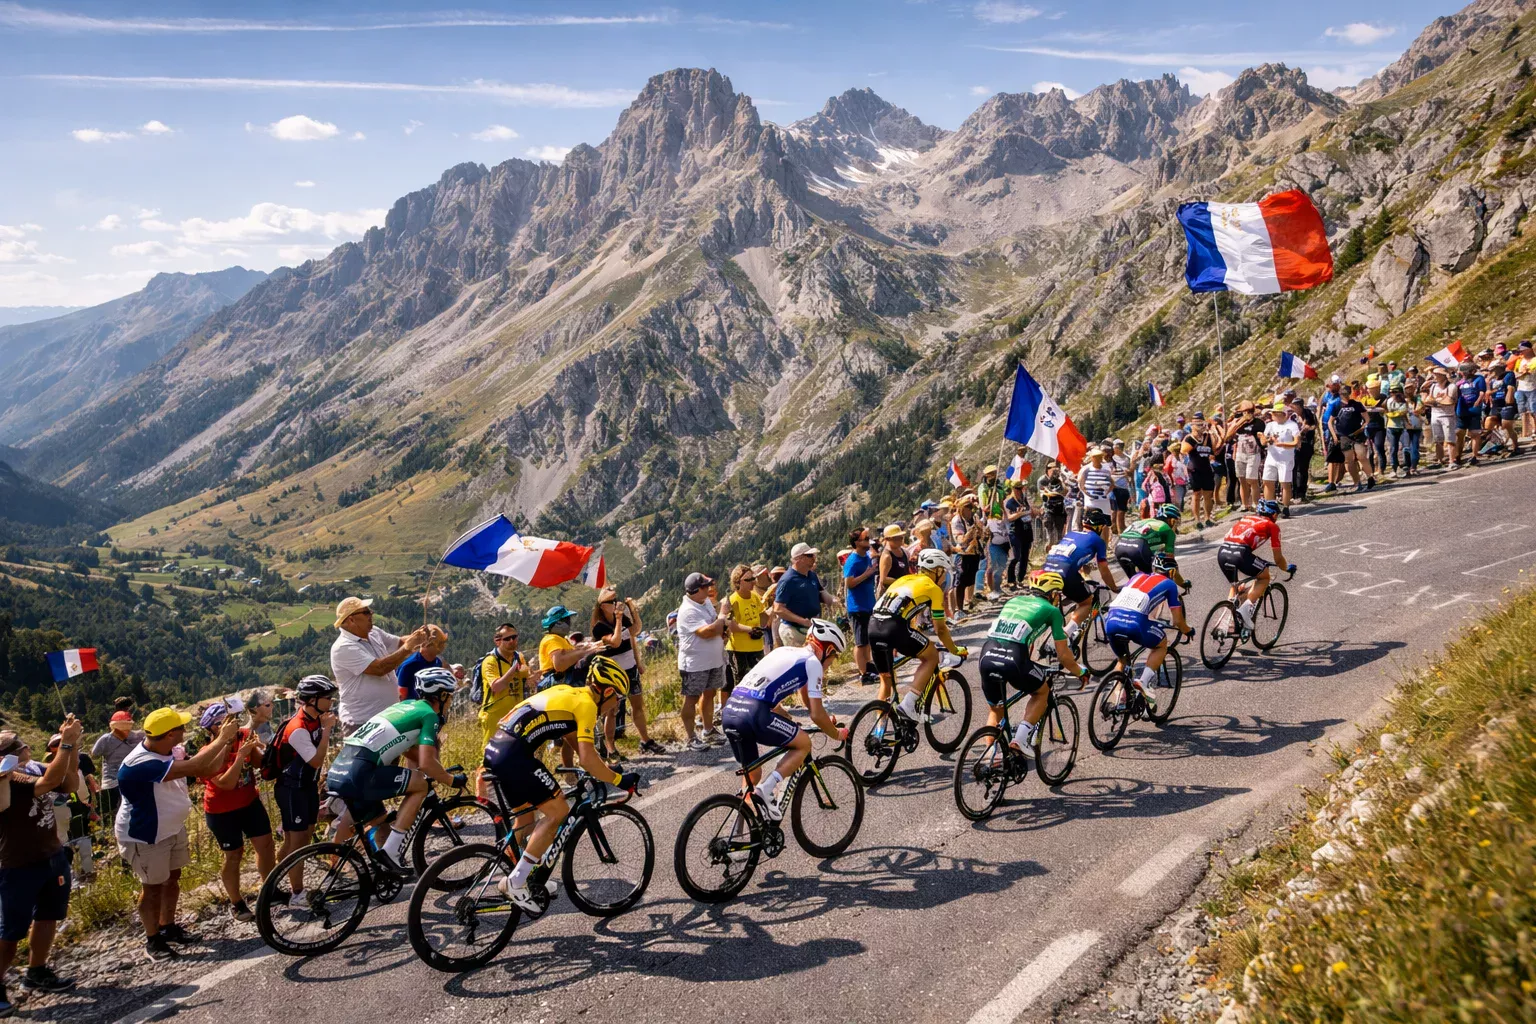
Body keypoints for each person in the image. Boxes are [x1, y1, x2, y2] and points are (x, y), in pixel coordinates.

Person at [481, 657, 639, 912]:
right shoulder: (587, 705)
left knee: (525, 819)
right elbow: (587, 758)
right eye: (618, 698)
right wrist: (619, 780)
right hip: (515, 755)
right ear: (607, 691)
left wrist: (603, 769)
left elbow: (575, 741)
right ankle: (517, 881)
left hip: (496, 749)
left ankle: (526, 877)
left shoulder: (570, 693)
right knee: (559, 812)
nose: (617, 705)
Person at [118, 706, 241, 962]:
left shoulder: (167, 751)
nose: (186, 731)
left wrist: (227, 743)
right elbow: (195, 767)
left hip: (170, 828)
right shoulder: (140, 763)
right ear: (170, 734)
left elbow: (206, 769)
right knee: (151, 887)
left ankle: (168, 926)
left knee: (172, 878)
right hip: (146, 835)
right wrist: (223, 738)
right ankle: (152, 940)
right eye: (181, 728)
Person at [324, 668, 465, 873]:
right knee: (420, 786)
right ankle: (391, 852)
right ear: (442, 696)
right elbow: (425, 763)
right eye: (450, 698)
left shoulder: (405, 706)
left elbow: (408, 749)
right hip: (361, 771)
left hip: (339, 768)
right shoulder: (429, 715)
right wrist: (450, 780)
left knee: (380, 820)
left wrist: (439, 770)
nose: (450, 703)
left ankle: (370, 871)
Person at [721, 620, 848, 820]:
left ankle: (742, 836)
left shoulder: (783, 652)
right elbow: (816, 714)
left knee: (752, 778)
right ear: (828, 649)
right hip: (755, 713)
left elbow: (806, 700)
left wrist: (790, 720)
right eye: (834, 656)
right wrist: (836, 734)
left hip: (730, 711)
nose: (832, 662)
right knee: (804, 743)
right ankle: (768, 789)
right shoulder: (813, 662)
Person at [0, 719, 83, 1008]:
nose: (24, 747)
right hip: (17, 865)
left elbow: (68, 784)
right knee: (11, 931)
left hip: (51, 855)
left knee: (48, 915)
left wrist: (70, 750)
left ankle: (36, 971)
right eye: (16, 746)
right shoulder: (9, 779)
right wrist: (68, 743)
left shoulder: (32, 767)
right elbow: (49, 783)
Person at [978, 572, 1087, 755]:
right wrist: (1079, 672)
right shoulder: (1052, 611)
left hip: (986, 655)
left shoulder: (1013, 601)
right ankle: (1020, 740)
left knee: (996, 709)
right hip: (1014, 660)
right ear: (1052, 593)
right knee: (1041, 692)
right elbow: (1063, 655)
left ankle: (991, 757)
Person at [197, 700, 275, 923]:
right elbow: (225, 783)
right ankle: (237, 903)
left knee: (266, 845)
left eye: (234, 719)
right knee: (234, 855)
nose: (234, 724)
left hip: (249, 802)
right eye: (227, 721)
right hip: (222, 811)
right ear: (214, 728)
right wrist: (241, 756)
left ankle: (270, 889)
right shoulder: (207, 753)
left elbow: (259, 764)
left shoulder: (242, 735)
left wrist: (257, 748)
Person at [869, 549, 967, 719]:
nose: (944, 578)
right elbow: (941, 629)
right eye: (943, 572)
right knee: (932, 656)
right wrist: (954, 650)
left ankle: (879, 730)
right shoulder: (933, 588)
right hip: (894, 627)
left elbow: (905, 611)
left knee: (886, 678)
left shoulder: (903, 579)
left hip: (873, 625)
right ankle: (908, 705)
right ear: (936, 570)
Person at [271, 675, 337, 911]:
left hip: (306, 787)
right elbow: (316, 759)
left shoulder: (314, 719)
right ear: (312, 700)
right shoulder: (298, 728)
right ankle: (296, 894)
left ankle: (275, 881)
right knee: (297, 844)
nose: (331, 701)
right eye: (327, 698)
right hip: (292, 790)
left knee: (302, 837)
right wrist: (327, 730)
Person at [329, 596, 433, 736]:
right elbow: (379, 668)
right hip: (362, 721)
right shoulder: (343, 647)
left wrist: (418, 637)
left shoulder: (374, 632)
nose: (371, 615)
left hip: (388, 716)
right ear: (351, 619)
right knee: (368, 759)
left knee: (392, 758)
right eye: (365, 612)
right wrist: (410, 646)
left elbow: (399, 643)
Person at [1102, 571, 1193, 715]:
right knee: (1161, 644)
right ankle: (1143, 682)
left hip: (1111, 621)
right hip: (1135, 623)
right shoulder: (1169, 584)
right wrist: (1188, 631)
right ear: (1172, 571)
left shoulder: (1136, 576)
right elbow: (1177, 621)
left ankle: (1118, 694)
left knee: (1123, 659)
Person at [593, 589, 663, 756]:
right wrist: (617, 620)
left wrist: (632, 609)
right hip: (613, 674)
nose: (616, 603)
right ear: (603, 606)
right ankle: (611, 748)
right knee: (612, 710)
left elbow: (636, 630)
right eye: (611, 601)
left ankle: (645, 740)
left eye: (616, 600)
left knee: (637, 706)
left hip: (630, 670)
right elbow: (615, 642)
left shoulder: (622, 619)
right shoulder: (599, 627)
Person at [1042, 506, 1120, 645]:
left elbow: (1074, 556)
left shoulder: (1071, 534)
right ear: (1099, 527)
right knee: (1086, 603)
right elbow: (1104, 570)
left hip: (1046, 570)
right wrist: (1114, 588)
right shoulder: (1098, 541)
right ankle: (1066, 633)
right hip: (1066, 574)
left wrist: (1084, 572)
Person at [1217, 499, 1295, 633]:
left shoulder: (1246, 518)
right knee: (1264, 577)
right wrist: (1286, 568)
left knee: (1236, 586)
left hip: (1222, 552)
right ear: (1274, 515)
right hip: (1240, 553)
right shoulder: (1272, 525)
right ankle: (1244, 611)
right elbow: (1278, 558)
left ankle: (1226, 621)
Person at [677, 572, 729, 751]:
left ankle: (708, 730)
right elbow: (706, 632)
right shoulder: (688, 610)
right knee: (691, 699)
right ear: (696, 590)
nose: (710, 589)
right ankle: (691, 737)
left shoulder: (705, 602)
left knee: (709, 694)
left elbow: (714, 624)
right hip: (694, 663)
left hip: (712, 660)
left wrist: (722, 629)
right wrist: (722, 616)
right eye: (706, 586)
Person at [477, 624, 531, 779]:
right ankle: (483, 794)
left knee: (514, 753)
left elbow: (527, 677)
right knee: (489, 755)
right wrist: (513, 670)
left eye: (515, 637)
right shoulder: (490, 661)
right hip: (494, 716)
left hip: (515, 714)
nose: (513, 641)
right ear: (497, 641)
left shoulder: (518, 657)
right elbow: (496, 686)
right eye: (508, 639)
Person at [774, 542, 837, 646]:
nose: (814, 558)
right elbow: (778, 608)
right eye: (810, 555)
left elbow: (821, 593)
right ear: (799, 558)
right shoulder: (788, 580)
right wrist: (802, 621)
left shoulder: (812, 575)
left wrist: (833, 600)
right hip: (793, 631)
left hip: (810, 628)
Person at [1115, 504, 1188, 588]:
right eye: (1176, 522)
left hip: (1119, 547)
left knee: (1134, 584)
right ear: (1171, 520)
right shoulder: (1168, 530)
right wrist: (1182, 583)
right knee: (1149, 583)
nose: (1176, 525)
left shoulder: (1146, 521)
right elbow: (1170, 564)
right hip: (1137, 547)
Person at [841, 528, 879, 685]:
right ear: (857, 542)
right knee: (860, 642)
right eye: (865, 539)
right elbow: (849, 583)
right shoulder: (853, 560)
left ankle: (868, 665)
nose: (868, 541)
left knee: (868, 640)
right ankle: (862, 673)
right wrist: (867, 574)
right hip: (857, 608)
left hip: (868, 604)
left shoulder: (866, 557)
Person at [91, 710, 141, 824]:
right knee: (132, 811)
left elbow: (94, 754)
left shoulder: (106, 739)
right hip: (133, 780)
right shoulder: (139, 736)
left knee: (113, 814)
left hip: (111, 781)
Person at [723, 566, 768, 691]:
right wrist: (751, 630)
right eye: (748, 580)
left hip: (757, 647)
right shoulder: (733, 600)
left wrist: (773, 610)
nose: (752, 582)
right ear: (737, 582)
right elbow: (731, 625)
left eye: (753, 578)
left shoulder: (754, 597)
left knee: (760, 680)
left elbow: (762, 619)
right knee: (742, 681)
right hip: (739, 649)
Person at [537, 605, 602, 691]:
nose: (569, 623)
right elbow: (559, 664)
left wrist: (593, 647)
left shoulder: (561, 639)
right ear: (558, 623)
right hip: (557, 681)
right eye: (567, 620)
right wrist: (583, 653)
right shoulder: (552, 639)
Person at [1224, 401, 1264, 510]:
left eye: (1250, 411)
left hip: (1253, 453)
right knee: (1242, 479)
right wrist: (1239, 422)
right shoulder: (1237, 423)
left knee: (1252, 479)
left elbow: (1261, 436)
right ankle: (1245, 504)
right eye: (1245, 411)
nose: (1247, 413)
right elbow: (1227, 437)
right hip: (1240, 454)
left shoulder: (1259, 422)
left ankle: (1256, 503)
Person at [949, 496, 985, 616]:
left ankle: (966, 603)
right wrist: (971, 532)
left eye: (971, 507)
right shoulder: (957, 521)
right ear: (961, 509)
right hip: (963, 553)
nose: (970, 510)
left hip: (973, 552)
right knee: (960, 581)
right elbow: (961, 539)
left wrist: (980, 530)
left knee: (970, 579)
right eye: (967, 508)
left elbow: (980, 534)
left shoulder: (973, 518)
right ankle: (959, 609)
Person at [1262, 403, 1300, 515]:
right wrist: (1266, 440)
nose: (1273, 415)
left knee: (1285, 483)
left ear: (1283, 414)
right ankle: (1269, 506)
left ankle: (1286, 507)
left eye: (1275, 413)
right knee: (1267, 481)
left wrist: (1283, 444)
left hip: (1285, 458)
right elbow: (1263, 440)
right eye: (1272, 413)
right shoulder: (1270, 425)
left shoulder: (1292, 425)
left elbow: (1296, 442)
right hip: (1272, 457)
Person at [397, 626, 449, 701]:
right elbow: (401, 697)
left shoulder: (438, 663)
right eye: (440, 643)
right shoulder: (409, 666)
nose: (443, 646)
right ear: (428, 644)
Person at [1184, 416, 1217, 528]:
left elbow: (1215, 448)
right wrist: (1195, 442)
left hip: (1206, 468)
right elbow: (1183, 450)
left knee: (1208, 494)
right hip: (1195, 469)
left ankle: (1208, 518)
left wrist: (1213, 432)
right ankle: (1197, 520)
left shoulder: (1207, 437)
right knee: (1196, 494)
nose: (1200, 427)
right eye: (1197, 425)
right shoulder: (1189, 438)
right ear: (1192, 426)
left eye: (1201, 424)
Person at [1003, 479, 1034, 590]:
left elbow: (1031, 512)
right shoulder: (1009, 502)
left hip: (1027, 530)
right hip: (1016, 531)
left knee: (1025, 556)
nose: (1021, 491)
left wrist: (1034, 512)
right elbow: (1009, 517)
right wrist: (1020, 513)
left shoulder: (1024, 500)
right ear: (1014, 489)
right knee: (1016, 556)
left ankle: (1020, 578)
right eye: (1018, 489)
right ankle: (1011, 579)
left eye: (1022, 488)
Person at [1427, 365, 1459, 468]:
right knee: (1438, 440)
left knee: (1450, 440)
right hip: (1435, 415)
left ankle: (1452, 461)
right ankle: (1440, 461)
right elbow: (1427, 400)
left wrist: (1435, 402)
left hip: (1447, 415)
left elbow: (1449, 401)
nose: (1435, 376)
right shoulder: (1433, 387)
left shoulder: (1451, 387)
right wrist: (1438, 402)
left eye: (1437, 374)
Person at [875, 524, 910, 596]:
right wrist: (902, 582)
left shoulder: (904, 552)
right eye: (896, 538)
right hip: (890, 594)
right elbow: (883, 579)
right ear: (888, 539)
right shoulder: (887, 556)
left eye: (901, 537)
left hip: (903, 592)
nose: (900, 540)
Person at [1038, 467, 1068, 549]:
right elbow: (1043, 495)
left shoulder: (1061, 484)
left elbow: (1065, 492)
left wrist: (1061, 481)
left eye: (1056, 473)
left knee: (1059, 535)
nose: (1054, 475)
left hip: (1060, 511)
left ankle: (1058, 551)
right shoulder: (1044, 482)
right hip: (1049, 511)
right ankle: (1048, 549)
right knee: (1050, 536)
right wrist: (1048, 492)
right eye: (1053, 473)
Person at [1109, 440, 1133, 533]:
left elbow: (1130, 471)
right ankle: (1115, 526)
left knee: (1121, 508)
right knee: (1114, 508)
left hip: (1124, 484)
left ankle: (1120, 526)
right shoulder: (1112, 459)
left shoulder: (1127, 459)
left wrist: (1129, 474)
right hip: (1114, 485)